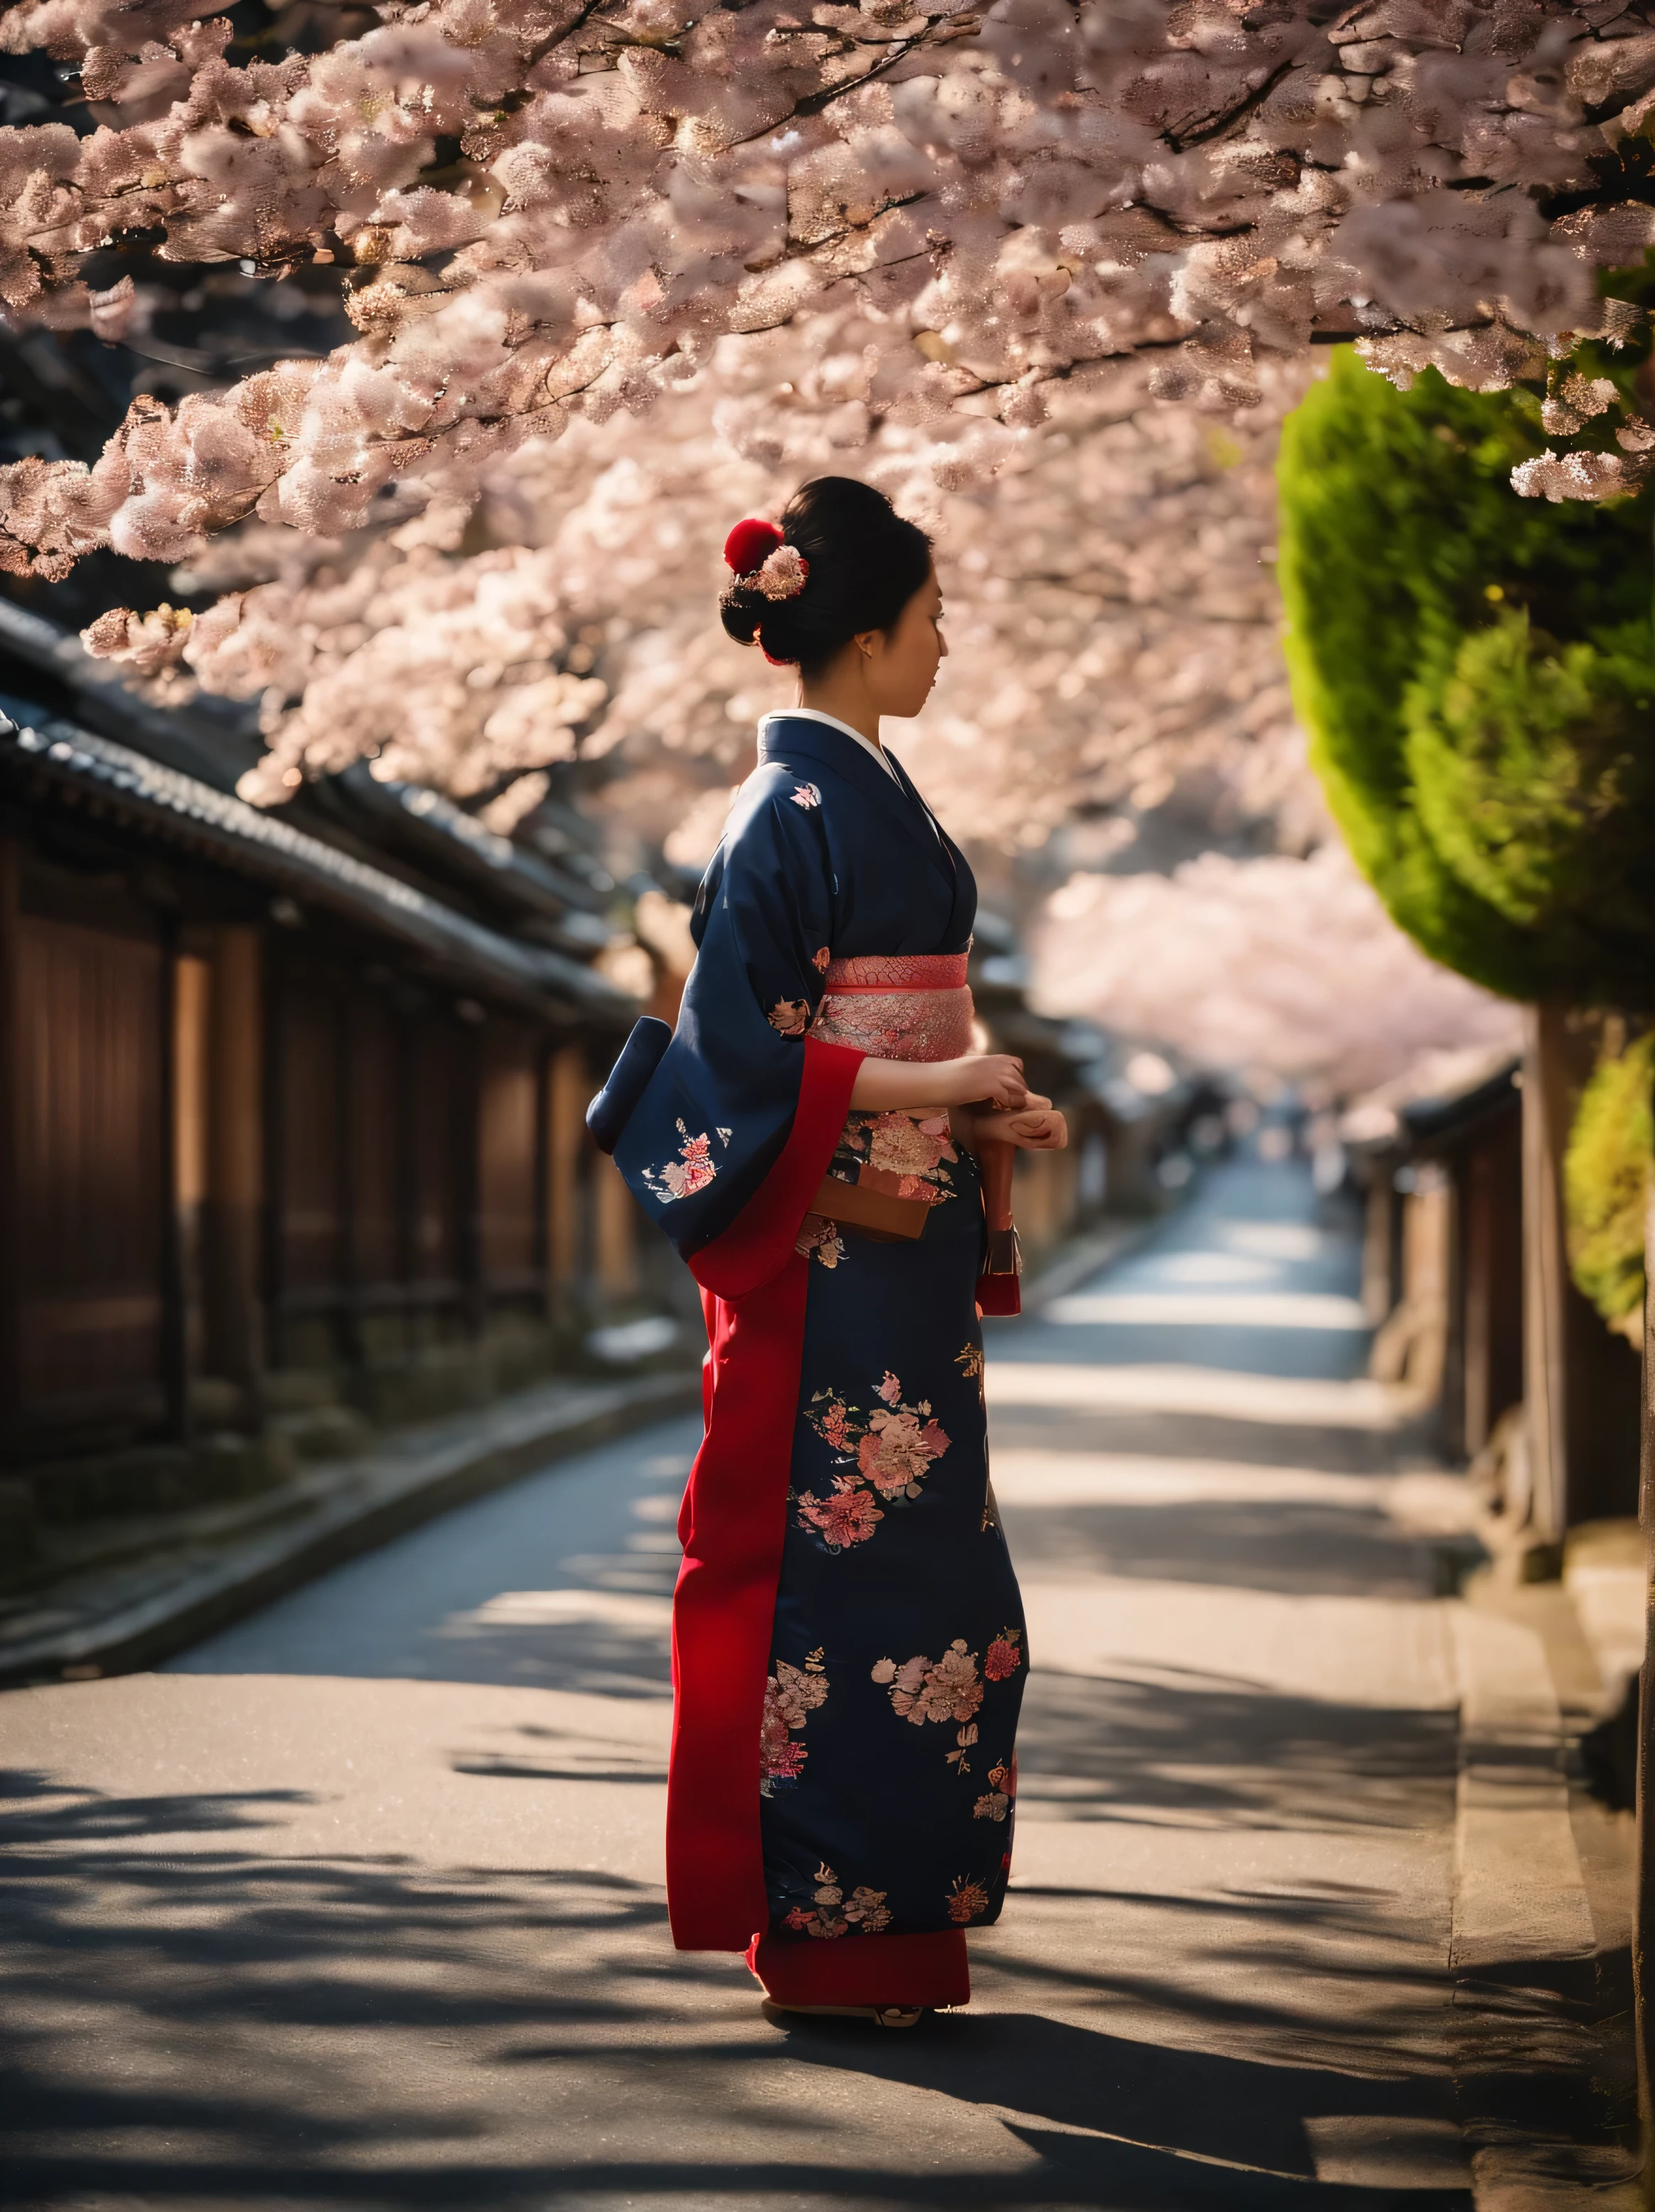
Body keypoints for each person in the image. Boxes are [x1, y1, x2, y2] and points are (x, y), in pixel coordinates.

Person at [609, 476, 1066, 2026]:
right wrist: (940, 1083)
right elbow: (740, 1052)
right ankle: (820, 1935)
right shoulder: (784, 809)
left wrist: (985, 1108)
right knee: (841, 1585)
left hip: (907, 1257)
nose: (946, 645)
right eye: (932, 620)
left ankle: (896, 1933)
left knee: (941, 1594)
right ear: (866, 634)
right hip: (832, 1264)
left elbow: (905, 1016)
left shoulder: (871, 788)